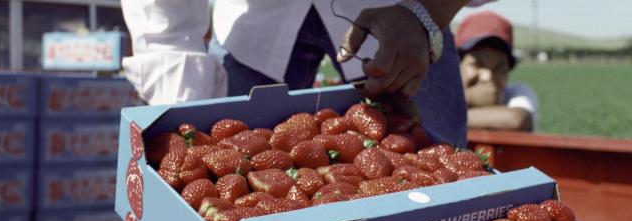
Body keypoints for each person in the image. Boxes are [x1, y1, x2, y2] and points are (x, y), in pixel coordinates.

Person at [121, 0, 497, 147]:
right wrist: (186, 112)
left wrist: (428, 13)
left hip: (401, 14)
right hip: (255, 30)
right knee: (225, 215)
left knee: (445, 183)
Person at [455, 11, 539, 131]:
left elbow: (517, 120)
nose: (488, 76)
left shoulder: (518, 93)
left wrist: (450, 114)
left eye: (499, 68)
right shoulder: (440, 92)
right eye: (477, 64)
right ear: (456, 64)